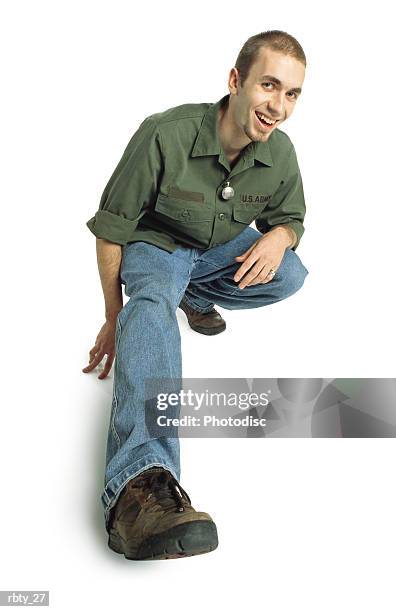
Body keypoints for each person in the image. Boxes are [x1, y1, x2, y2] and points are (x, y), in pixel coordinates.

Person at [82, 30, 309, 560]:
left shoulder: (279, 153)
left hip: (214, 252)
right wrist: (117, 316)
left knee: (291, 273)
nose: (278, 105)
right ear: (236, 81)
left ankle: (194, 294)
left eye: (293, 94)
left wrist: (280, 235)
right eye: (269, 85)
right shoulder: (165, 133)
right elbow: (111, 229)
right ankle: (139, 487)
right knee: (154, 306)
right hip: (156, 246)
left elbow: (290, 217)